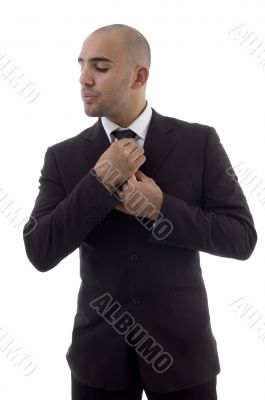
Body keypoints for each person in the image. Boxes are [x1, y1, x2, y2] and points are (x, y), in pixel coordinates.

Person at [23, 24, 258, 400]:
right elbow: (40, 250)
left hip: (185, 359)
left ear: (139, 75)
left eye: (100, 68)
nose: (84, 78)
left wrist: (162, 208)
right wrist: (99, 180)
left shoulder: (199, 142)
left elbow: (241, 237)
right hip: (97, 361)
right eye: (82, 65)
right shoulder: (62, 156)